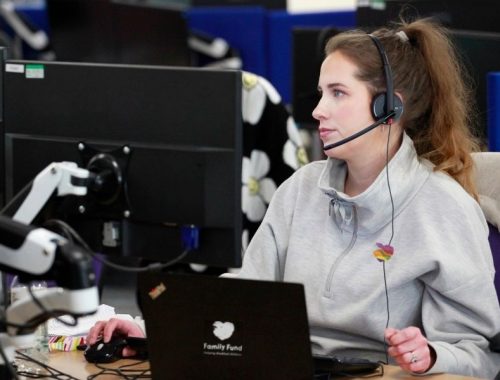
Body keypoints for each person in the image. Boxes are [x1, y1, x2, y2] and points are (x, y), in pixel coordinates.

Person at [87, 18, 500, 378]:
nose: (318, 110)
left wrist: (429, 356)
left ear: (389, 106)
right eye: (320, 93)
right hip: (282, 367)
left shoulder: (443, 207)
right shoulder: (302, 188)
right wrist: (154, 329)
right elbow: (243, 298)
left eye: (338, 93)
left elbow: (478, 356)